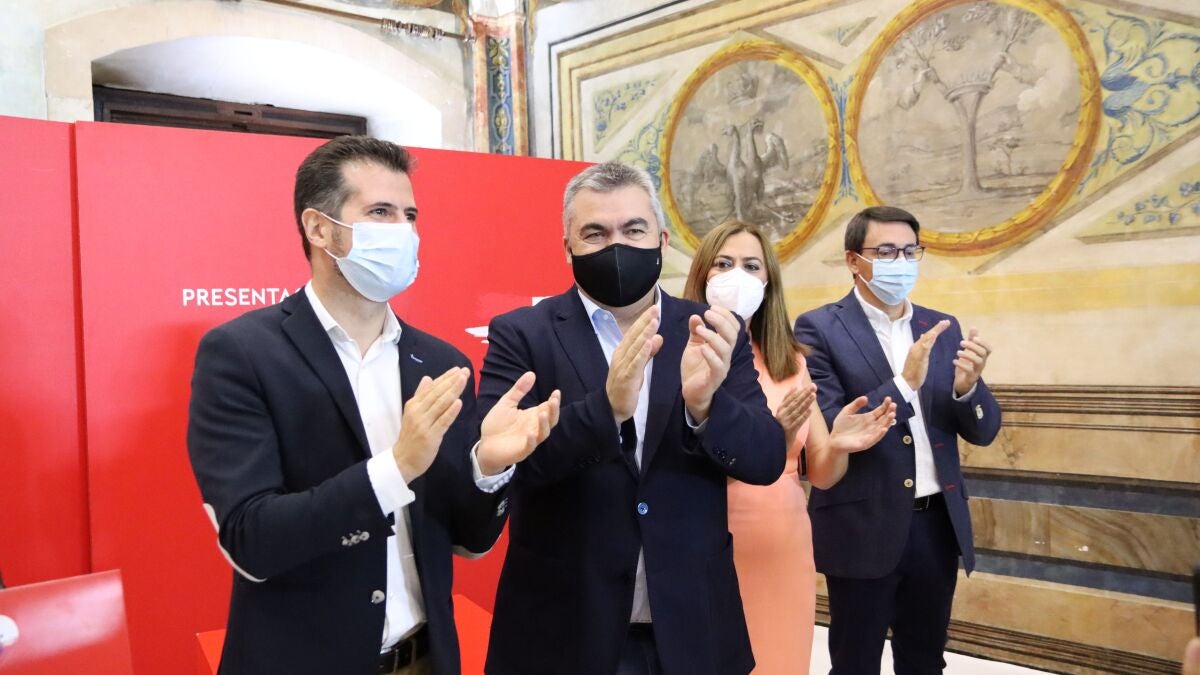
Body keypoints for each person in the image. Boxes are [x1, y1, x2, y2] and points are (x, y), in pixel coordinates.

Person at [187, 135, 560, 675]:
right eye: (380, 212)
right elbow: (252, 540)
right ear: (319, 228)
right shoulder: (242, 354)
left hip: (424, 659)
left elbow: (468, 540)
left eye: (410, 215)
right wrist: (396, 467)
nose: (403, 231)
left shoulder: (441, 362)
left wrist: (488, 468)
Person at [477, 162, 786, 675]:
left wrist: (706, 406)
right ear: (568, 247)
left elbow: (765, 459)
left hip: (692, 628)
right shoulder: (522, 333)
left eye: (633, 230)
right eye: (595, 233)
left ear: (661, 239)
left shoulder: (710, 330)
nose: (615, 246)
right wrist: (606, 410)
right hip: (562, 632)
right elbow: (503, 464)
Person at [793, 205, 1001, 674]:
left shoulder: (939, 326)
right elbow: (834, 425)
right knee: (855, 662)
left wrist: (968, 388)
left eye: (910, 251)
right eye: (886, 251)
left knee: (924, 660)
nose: (901, 262)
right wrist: (905, 384)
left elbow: (984, 431)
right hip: (862, 521)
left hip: (935, 524)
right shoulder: (818, 327)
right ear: (853, 260)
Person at [682, 220, 896, 674]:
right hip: (703, 536)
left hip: (782, 542)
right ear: (702, 274)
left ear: (768, 282)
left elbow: (822, 472)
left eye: (751, 266)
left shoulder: (789, 359)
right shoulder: (678, 354)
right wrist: (767, 439)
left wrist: (839, 444)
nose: (737, 275)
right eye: (724, 263)